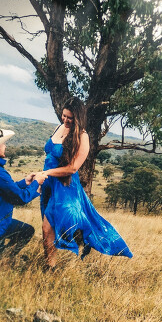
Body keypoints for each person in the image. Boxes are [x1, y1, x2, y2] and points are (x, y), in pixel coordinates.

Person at [40, 97, 132, 267]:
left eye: (70, 118)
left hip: (65, 186)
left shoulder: (83, 137)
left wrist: (46, 172)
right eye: (64, 116)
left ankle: (52, 265)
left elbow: (72, 168)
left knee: (48, 227)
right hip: (48, 184)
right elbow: (50, 155)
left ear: (78, 117)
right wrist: (41, 179)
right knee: (48, 229)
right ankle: (49, 264)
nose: (65, 120)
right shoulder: (58, 128)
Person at [0, 124, 49, 259]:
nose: (5, 146)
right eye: (3, 144)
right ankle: (4, 259)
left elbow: (5, 190)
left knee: (26, 231)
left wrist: (25, 182)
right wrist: (36, 183)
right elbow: (20, 198)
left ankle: (2, 258)